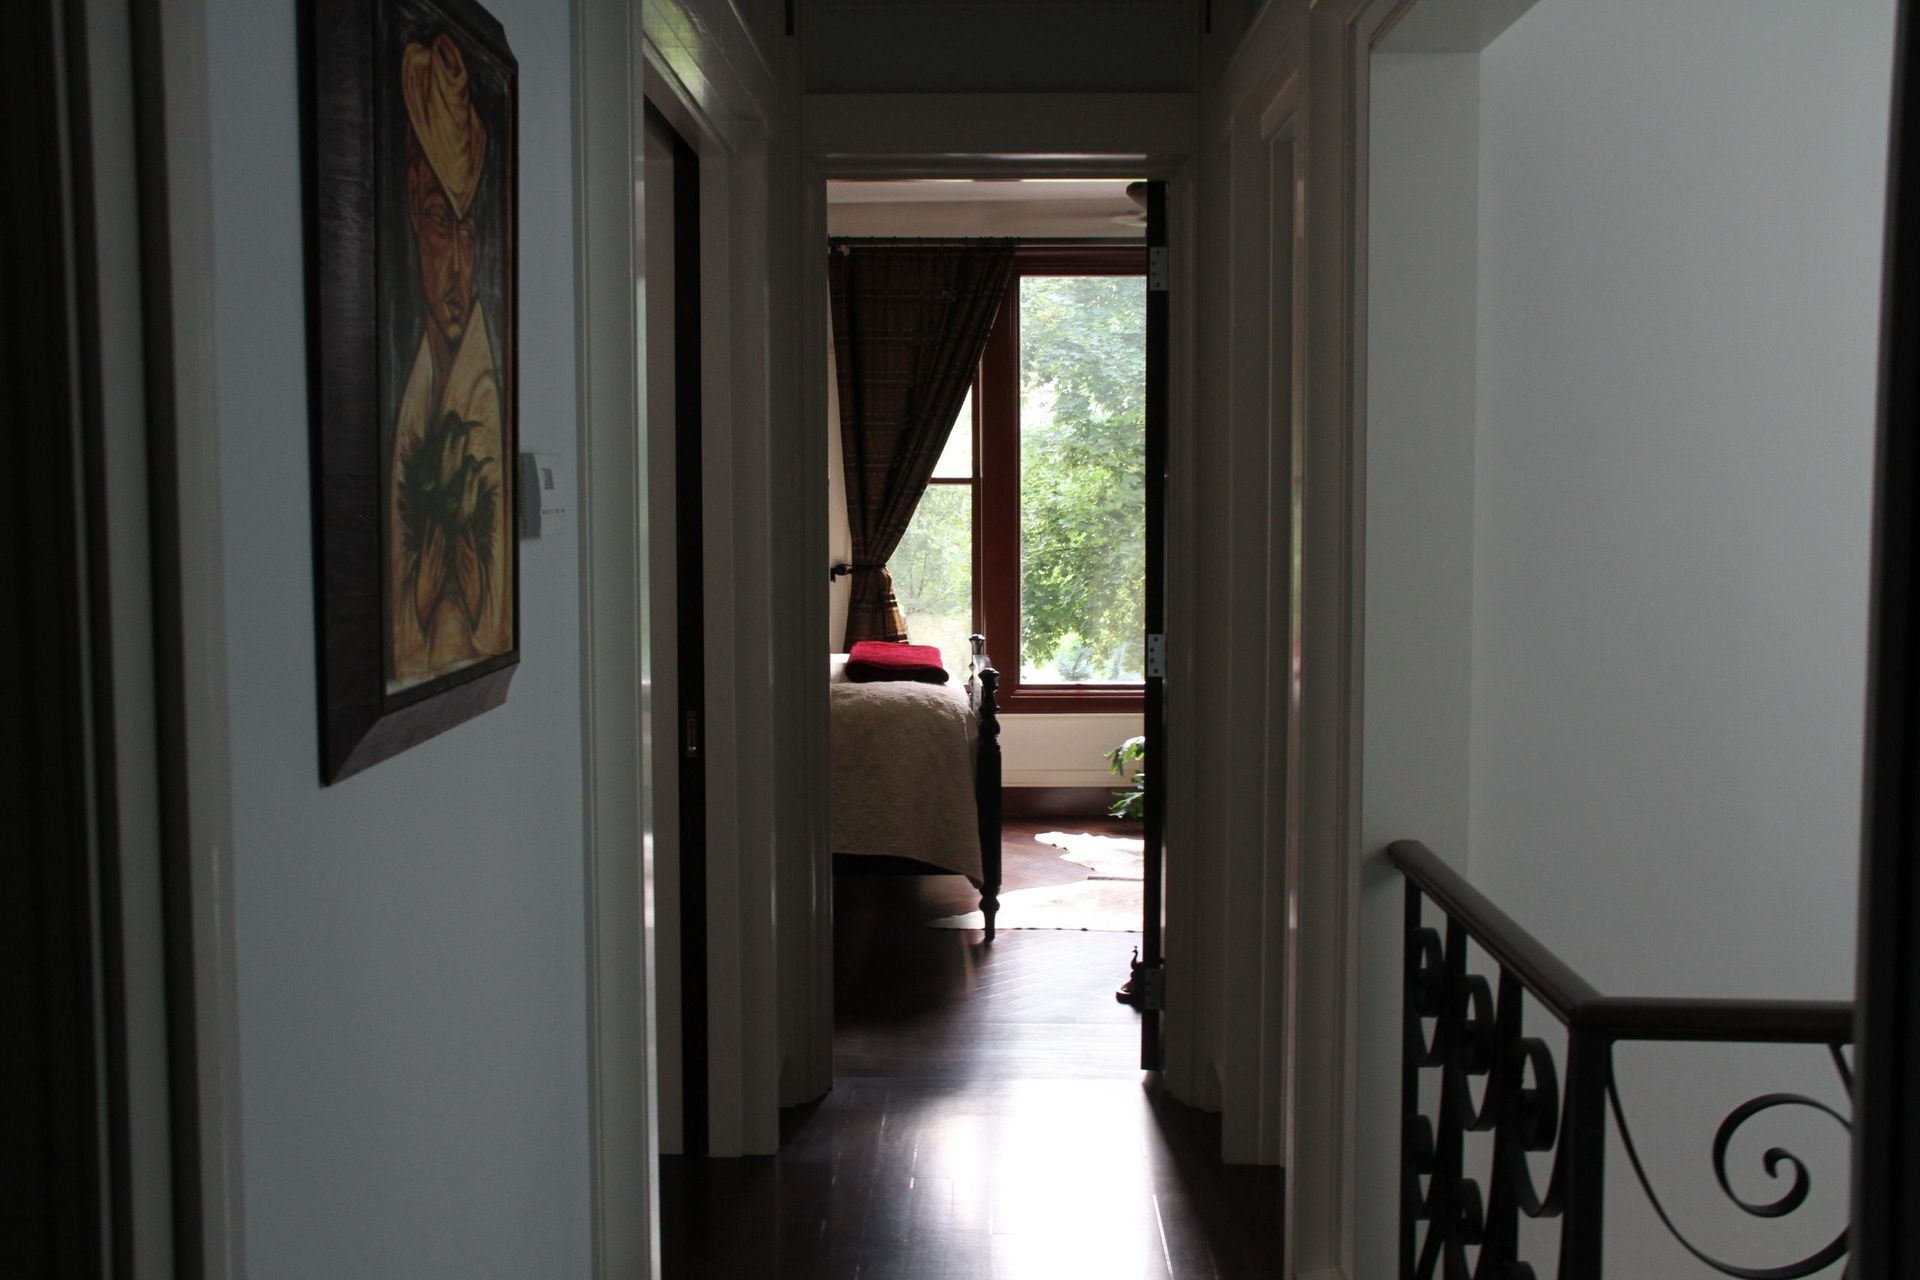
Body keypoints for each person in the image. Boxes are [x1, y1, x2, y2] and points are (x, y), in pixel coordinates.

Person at [387, 31, 510, 689]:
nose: (460, 271)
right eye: (441, 222)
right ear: (412, 208)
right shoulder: (412, 400)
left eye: (470, 231)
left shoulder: (485, 397)